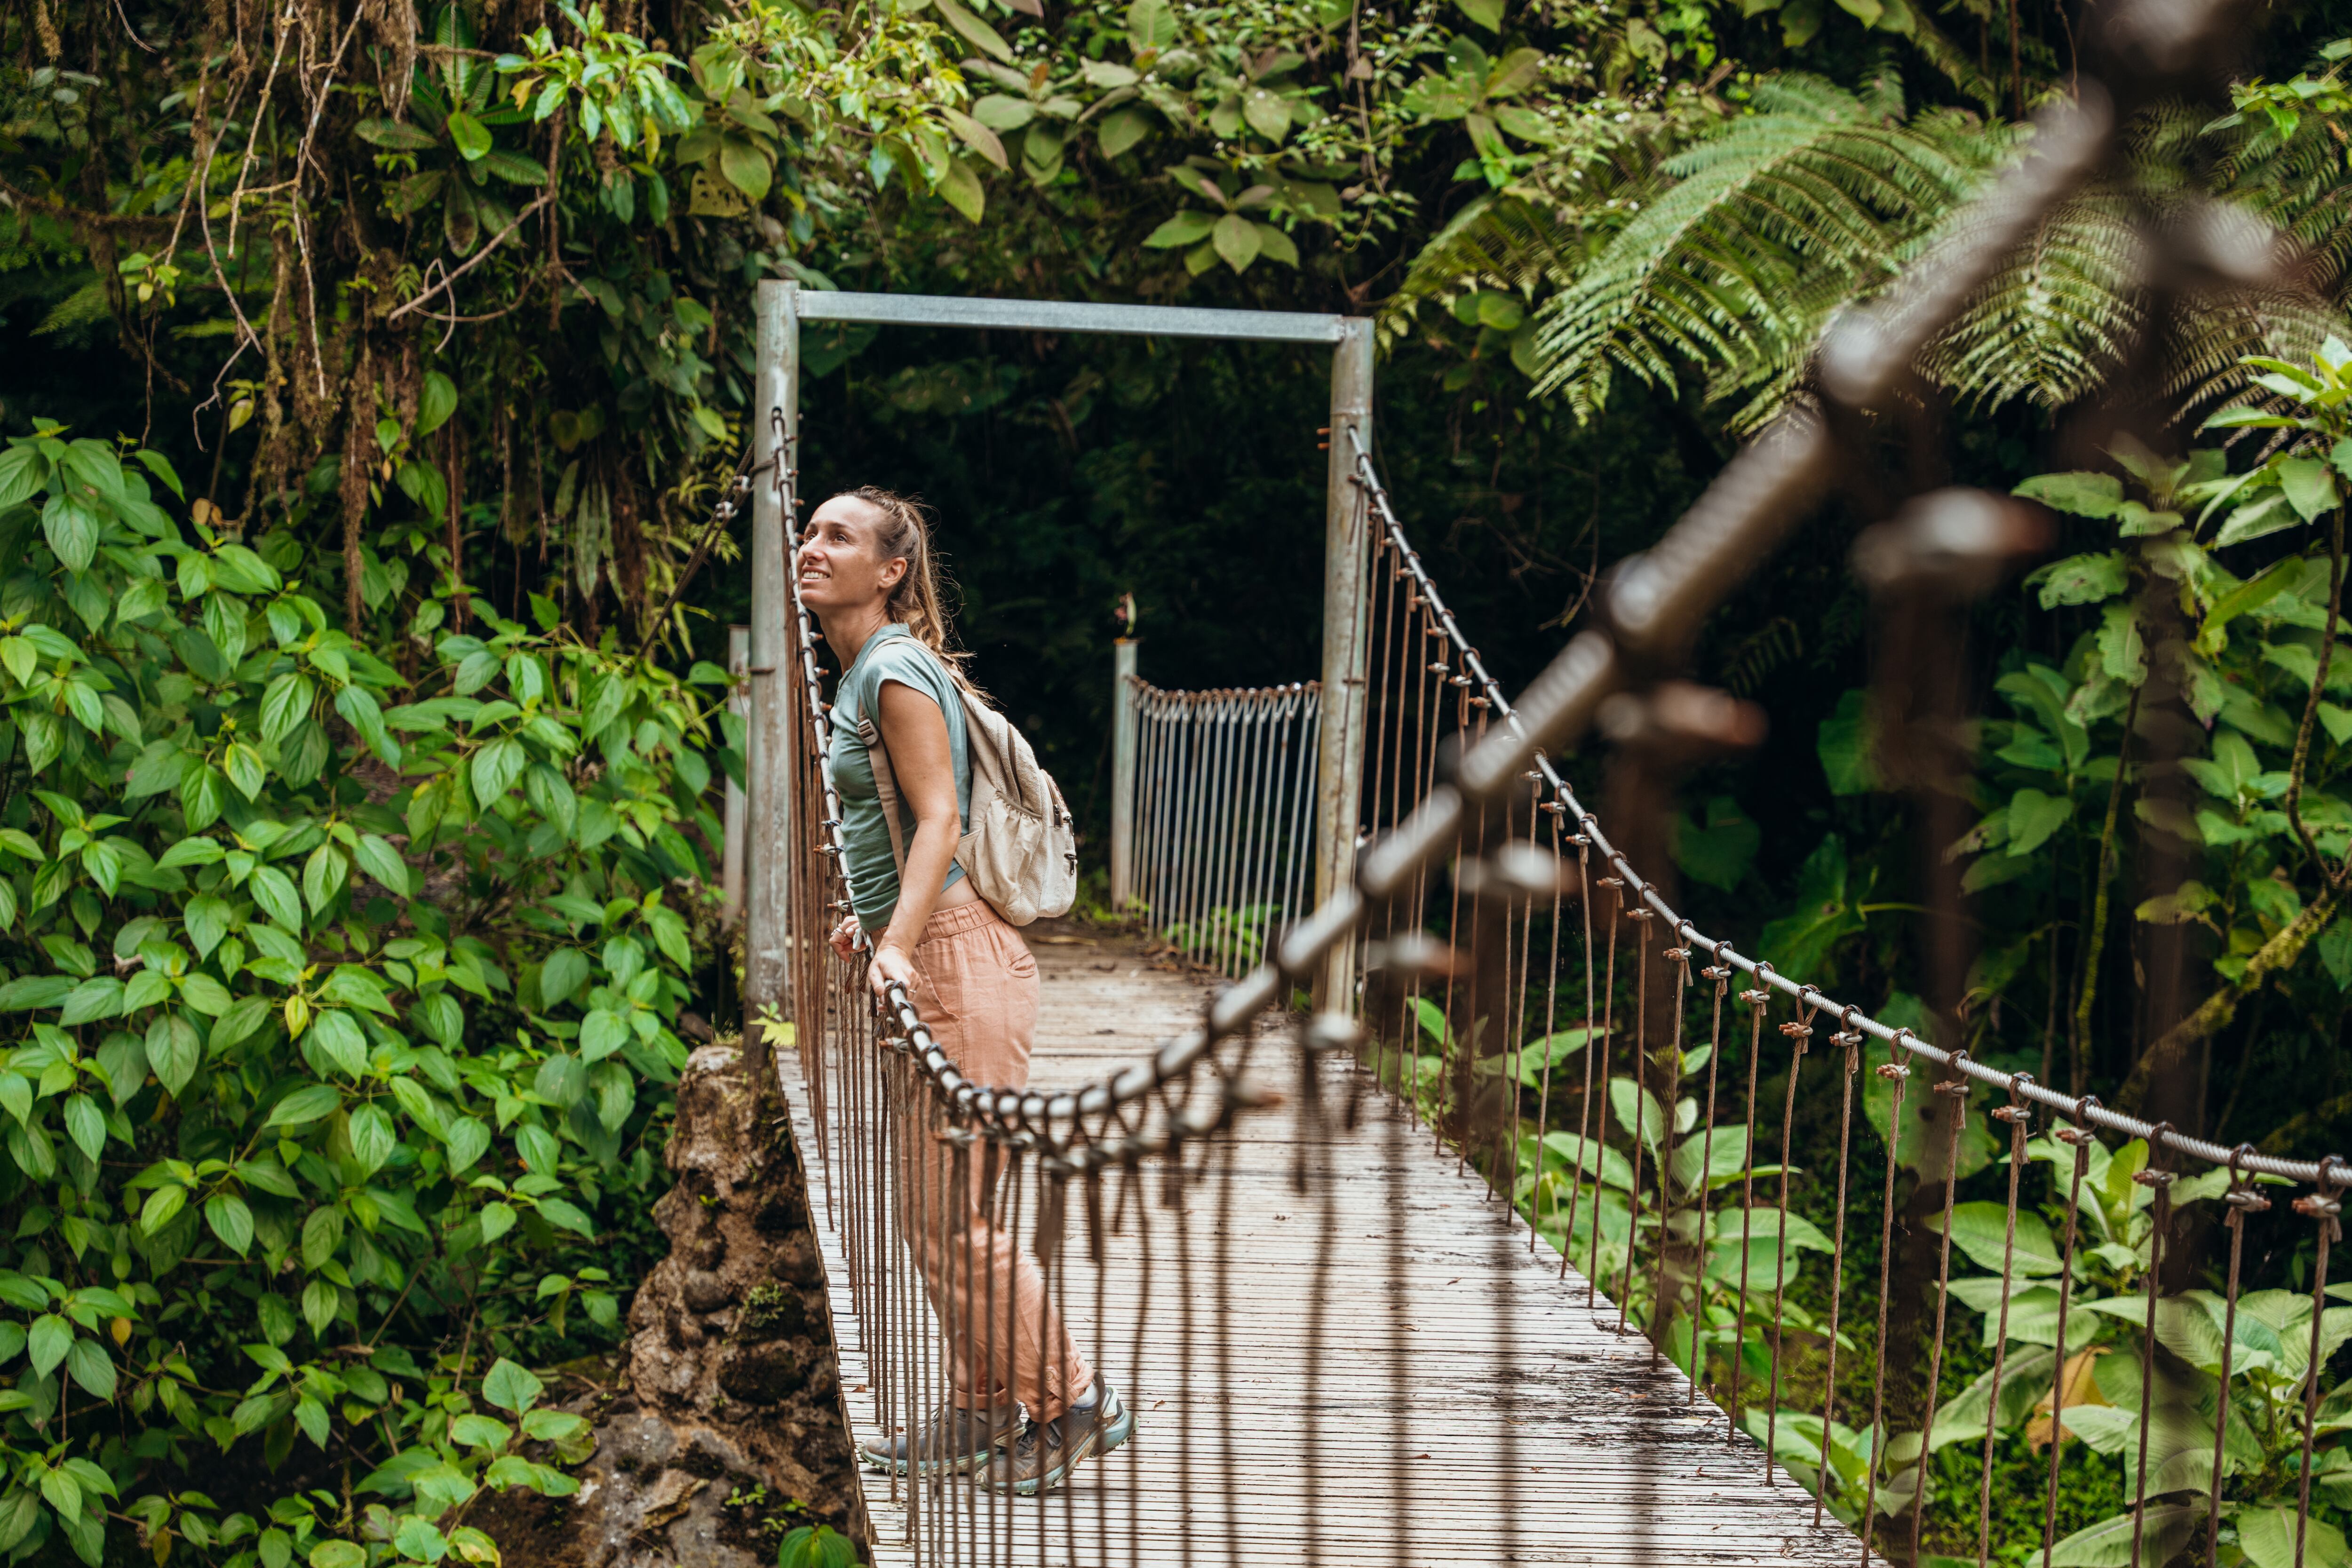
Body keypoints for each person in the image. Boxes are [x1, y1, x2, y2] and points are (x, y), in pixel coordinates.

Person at [803, 485, 1132, 1496]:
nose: (811, 547)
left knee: (960, 1220)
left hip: (955, 962)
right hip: (933, 950)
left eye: (838, 536)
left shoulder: (892, 669)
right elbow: (897, 830)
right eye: (809, 531)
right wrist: (876, 911)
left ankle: (1075, 1401)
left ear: (891, 569)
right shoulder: (865, 672)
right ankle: (986, 1404)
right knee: (932, 1218)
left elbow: (939, 817)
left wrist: (899, 939)